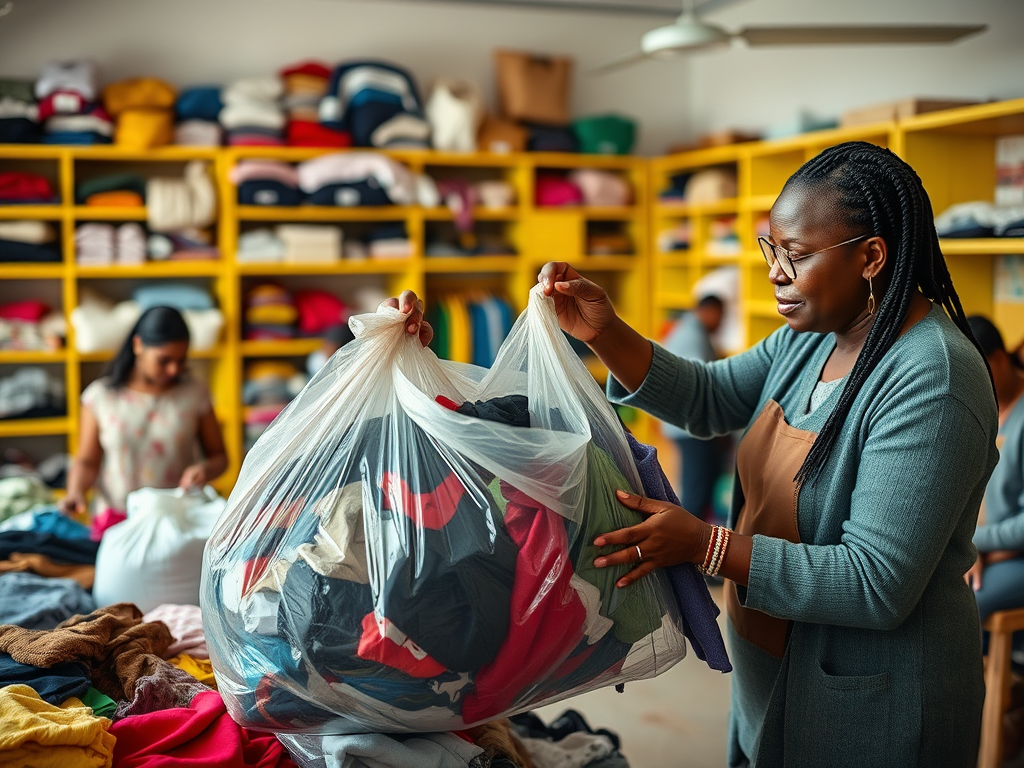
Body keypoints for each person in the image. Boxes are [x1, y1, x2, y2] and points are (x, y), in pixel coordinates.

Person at [386, 141, 999, 767]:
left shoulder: (932, 376)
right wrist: (604, 331)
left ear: (871, 256)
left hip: (876, 698)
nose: (775, 273)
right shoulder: (812, 340)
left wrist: (705, 546)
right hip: (774, 667)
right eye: (772, 250)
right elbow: (707, 397)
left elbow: (877, 582)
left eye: (796, 255)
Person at [61, 306, 227, 534]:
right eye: (164, 360)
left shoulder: (195, 394)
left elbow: (219, 457)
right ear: (138, 345)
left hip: (177, 522)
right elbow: (87, 462)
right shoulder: (100, 397)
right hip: (118, 522)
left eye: (181, 360)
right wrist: (75, 491)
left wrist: (204, 470)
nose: (173, 369)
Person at [965, 316, 1024, 622]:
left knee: (962, 601)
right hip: (982, 552)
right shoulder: (979, 410)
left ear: (999, 359)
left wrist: (976, 544)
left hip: (1014, 556)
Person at [660, 295, 729, 522]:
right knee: (696, 489)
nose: (722, 323)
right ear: (710, 311)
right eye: (721, 316)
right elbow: (701, 386)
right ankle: (688, 545)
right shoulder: (694, 336)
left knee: (701, 482)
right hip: (690, 427)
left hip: (684, 423)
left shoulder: (689, 330)